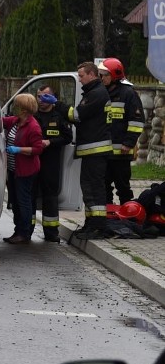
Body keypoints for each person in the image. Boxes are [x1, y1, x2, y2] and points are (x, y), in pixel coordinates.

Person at [56, 61, 113, 240]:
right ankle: (91, 224)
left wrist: (58, 105)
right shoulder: (94, 92)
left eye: (81, 76)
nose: (79, 80)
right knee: (88, 189)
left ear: (91, 74)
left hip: (95, 150)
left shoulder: (96, 94)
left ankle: (98, 227)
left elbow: (77, 115)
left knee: (95, 190)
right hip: (92, 150)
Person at [98, 58, 144, 205]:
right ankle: (109, 219)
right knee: (103, 187)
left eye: (104, 75)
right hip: (104, 152)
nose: (101, 78)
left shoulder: (128, 94)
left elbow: (136, 121)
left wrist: (129, 143)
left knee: (123, 188)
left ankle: (128, 220)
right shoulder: (101, 93)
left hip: (121, 154)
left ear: (114, 75)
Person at [2, 93, 44, 244]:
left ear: (24, 110)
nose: (14, 108)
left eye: (17, 106)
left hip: (25, 171)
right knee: (14, 201)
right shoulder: (15, 121)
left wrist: (19, 150)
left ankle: (24, 232)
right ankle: (17, 230)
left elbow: (37, 149)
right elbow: (0, 120)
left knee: (23, 202)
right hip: (14, 170)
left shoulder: (33, 127)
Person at [34, 85, 73, 243]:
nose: (41, 100)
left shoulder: (58, 116)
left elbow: (67, 137)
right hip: (33, 162)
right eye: (39, 96)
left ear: (52, 98)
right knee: (30, 196)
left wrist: (50, 142)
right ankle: (25, 230)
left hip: (51, 162)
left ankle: (51, 232)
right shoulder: (32, 115)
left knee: (50, 197)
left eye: (45, 96)